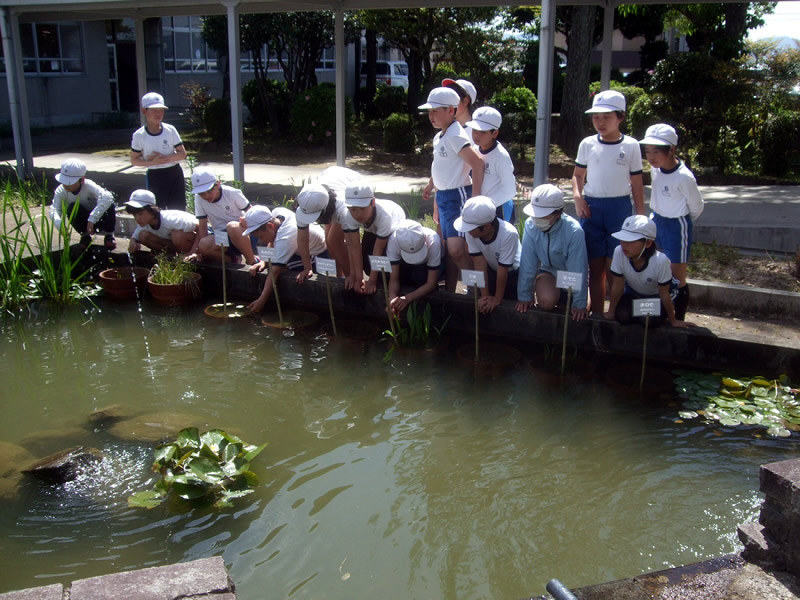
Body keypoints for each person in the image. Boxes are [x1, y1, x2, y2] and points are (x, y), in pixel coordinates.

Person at [571, 90, 644, 314]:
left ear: (620, 117)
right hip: (592, 208)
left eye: (606, 117)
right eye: (596, 117)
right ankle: (597, 312)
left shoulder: (631, 145)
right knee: (595, 266)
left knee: (616, 265)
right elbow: (577, 175)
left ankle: (614, 310)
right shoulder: (587, 144)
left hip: (619, 209)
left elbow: (637, 181)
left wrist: (640, 214)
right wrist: (578, 198)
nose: (600, 122)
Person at [419, 87, 484, 292]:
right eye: (429, 111)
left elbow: (478, 164)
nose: (431, 116)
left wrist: (474, 200)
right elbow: (439, 164)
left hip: (458, 196)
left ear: (451, 110)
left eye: (436, 110)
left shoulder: (457, 134)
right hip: (444, 196)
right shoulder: (440, 136)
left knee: (457, 250)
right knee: (449, 249)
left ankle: (477, 289)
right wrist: (432, 184)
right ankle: (451, 290)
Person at [640, 123, 703, 321]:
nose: (651, 156)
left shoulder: (684, 177)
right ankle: (657, 314)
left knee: (677, 278)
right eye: (648, 151)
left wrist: (681, 220)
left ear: (672, 149)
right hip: (657, 221)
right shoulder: (655, 169)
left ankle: (678, 318)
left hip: (677, 226)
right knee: (656, 269)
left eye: (656, 151)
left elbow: (697, 206)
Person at [516, 184, 589, 321]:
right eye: (534, 214)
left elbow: (577, 268)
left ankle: (580, 295)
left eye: (542, 215)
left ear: (558, 213)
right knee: (545, 301)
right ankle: (558, 295)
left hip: (570, 275)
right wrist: (524, 296)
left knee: (582, 308)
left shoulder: (574, 231)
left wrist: (580, 303)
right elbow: (527, 263)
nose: (537, 219)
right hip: (549, 273)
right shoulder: (530, 226)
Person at [604, 215, 691, 328]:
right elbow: (618, 284)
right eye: (623, 240)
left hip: (656, 298)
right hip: (633, 293)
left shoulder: (660, 261)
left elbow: (664, 293)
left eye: (630, 241)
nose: (624, 245)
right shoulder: (618, 252)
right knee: (622, 315)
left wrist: (673, 320)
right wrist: (611, 312)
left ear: (648, 243)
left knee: (649, 320)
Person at [243, 205, 326, 313]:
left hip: (318, 254)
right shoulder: (277, 213)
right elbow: (273, 240)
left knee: (282, 267)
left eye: (261, 237)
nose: (262, 241)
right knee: (279, 262)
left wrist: (262, 300)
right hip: (299, 248)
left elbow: (275, 271)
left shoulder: (286, 237)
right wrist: (264, 261)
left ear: (270, 225)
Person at [294, 166, 362, 283]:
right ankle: (339, 278)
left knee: (334, 240)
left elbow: (352, 244)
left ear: (325, 210)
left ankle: (349, 278)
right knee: (328, 240)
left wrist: (356, 277)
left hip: (354, 185)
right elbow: (302, 239)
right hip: (329, 176)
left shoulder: (343, 208)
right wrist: (307, 268)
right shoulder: (305, 204)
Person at [454, 196, 520, 314]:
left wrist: (497, 298)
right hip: (492, 268)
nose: (467, 231)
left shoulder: (509, 234)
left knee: (509, 304)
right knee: (486, 299)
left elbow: (503, 269)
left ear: (487, 226)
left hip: (514, 272)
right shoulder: (472, 232)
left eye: (470, 228)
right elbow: (479, 263)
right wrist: (485, 297)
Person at [342, 182, 406, 295]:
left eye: (362, 208)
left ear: (372, 202)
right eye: (353, 209)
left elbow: (378, 250)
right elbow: (355, 246)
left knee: (386, 257)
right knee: (367, 261)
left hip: (394, 225)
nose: (357, 214)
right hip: (371, 227)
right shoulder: (350, 216)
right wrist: (358, 278)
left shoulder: (385, 216)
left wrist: (372, 280)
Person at [185, 167, 256, 265]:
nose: (206, 196)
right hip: (221, 237)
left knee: (232, 227)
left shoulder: (232, 193)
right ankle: (233, 261)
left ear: (218, 184)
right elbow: (203, 225)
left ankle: (252, 260)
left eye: (209, 191)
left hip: (242, 233)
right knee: (203, 244)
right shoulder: (198, 199)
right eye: (201, 193)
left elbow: (252, 212)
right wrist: (200, 251)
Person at [130, 92, 187, 210]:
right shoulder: (139, 135)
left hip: (174, 173)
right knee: (157, 210)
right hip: (155, 176)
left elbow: (182, 154)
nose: (158, 114)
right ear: (144, 111)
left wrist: (166, 159)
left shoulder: (170, 129)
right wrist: (152, 163)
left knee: (178, 209)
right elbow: (134, 160)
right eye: (154, 110)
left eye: (161, 110)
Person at [49, 158, 116, 249]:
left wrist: (92, 219)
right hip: (83, 222)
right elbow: (54, 210)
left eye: (70, 182)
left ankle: (109, 236)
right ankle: (85, 236)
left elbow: (107, 197)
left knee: (109, 203)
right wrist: (60, 226)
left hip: (99, 220)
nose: (66, 185)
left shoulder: (89, 185)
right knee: (72, 208)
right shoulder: (60, 191)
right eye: (64, 181)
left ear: (82, 180)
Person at [466, 106, 516, 223]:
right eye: (474, 129)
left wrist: (486, 206)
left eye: (482, 131)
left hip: (499, 209)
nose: (476, 135)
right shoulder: (474, 149)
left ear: (495, 133)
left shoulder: (501, 156)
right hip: (480, 209)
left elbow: (510, 190)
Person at [386, 219, 444, 316]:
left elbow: (431, 283)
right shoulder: (394, 240)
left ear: (424, 238)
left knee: (419, 277)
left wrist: (407, 298)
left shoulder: (434, 242)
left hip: (431, 265)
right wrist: (392, 300)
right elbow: (393, 278)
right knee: (403, 278)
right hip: (406, 263)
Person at [123, 189, 198, 255]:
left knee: (177, 235)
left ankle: (188, 255)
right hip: (174, 246)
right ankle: (170, 255)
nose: (137, 218)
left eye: (140, 214)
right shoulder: (144, 223)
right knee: (143, 236)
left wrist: (193, 251)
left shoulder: (171, 219)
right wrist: (132, 242)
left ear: (152, 211)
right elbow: (135, 237)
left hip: (197, 243)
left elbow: (201, 227)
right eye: (134, 215)